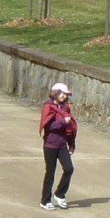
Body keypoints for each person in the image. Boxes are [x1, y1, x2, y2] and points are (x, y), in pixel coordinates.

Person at [38, 82, 78, 210]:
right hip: (50, 145)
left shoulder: (65, 108)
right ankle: (45, 200)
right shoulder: (48, 107)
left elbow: (70, 129)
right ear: (55, 93)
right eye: (61, 93)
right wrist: (62, 121)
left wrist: (71, 145)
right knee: (50, 173)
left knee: (69, 169)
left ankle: (60, 194)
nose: (64, 96)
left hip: (61, 145)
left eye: (65, 94)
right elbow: (49, 127)